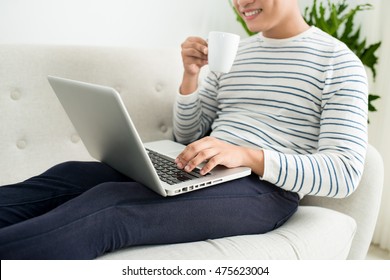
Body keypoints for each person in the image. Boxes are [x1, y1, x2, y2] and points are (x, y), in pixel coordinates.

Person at [0, 0, 367, 259]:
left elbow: (345, 172)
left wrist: (247, 156)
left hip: (264, 190)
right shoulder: (236, 53)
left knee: (109, 206)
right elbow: (187, 137)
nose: (242, 1)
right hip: (202, 168)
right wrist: (191, 76)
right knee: (70, 176)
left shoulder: (338, 62)